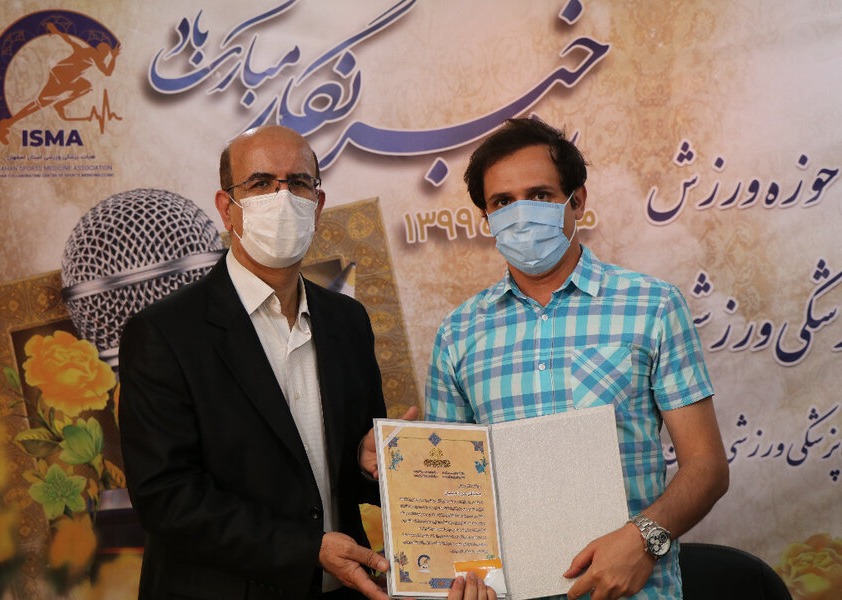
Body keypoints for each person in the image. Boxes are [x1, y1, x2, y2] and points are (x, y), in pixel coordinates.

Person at [424, 118, 729, 600]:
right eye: (502, 202)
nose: (521, 213)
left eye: (539, 195)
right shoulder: (457, 334)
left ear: (577, 201)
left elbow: (706, 465)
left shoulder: (652, 306)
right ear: (486, 217)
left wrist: (644, 539)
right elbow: (452, 493)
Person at [119, 125, 394, 599]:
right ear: (227, 208)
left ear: (318, 205)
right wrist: (305, 549)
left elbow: (334, 474)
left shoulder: (348, 321)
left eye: (299, 183)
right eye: (261, 183)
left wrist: (366, 464)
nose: (282, 197)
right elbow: (166, 499)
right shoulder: (164, 333)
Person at [0, 22, 120, 144]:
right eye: (106, 55)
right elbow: (108, 72)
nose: (105, 59)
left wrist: (56, 31)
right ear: (102, 52)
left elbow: (69, 40)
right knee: (40, 103)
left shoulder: (84, 50)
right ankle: (7, 123)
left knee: (85, 86)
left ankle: (58, 105)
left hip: (61, 76)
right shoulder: (95, 55)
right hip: (61, 80)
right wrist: (114, 58)